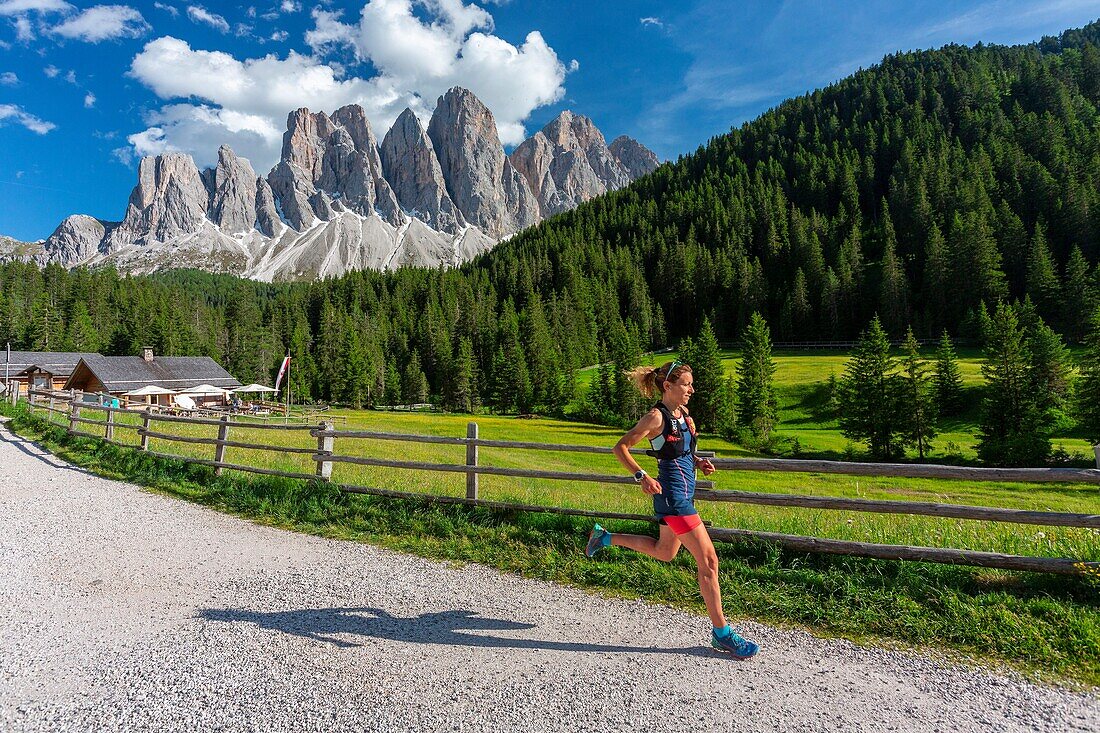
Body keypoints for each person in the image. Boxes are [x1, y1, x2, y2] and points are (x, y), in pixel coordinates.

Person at [585, 360, 759, 659]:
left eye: (691, 384)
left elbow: (683, 452)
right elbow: (621, 447)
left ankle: (604, 537)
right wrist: (642, 476)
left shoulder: (684, 416)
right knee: (709, 561)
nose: (692, 389)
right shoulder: (656, 417)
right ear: (668, 386)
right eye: (686, 384)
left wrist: (698, 462)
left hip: (683, 496)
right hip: (674, 499)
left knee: (665, 552)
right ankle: (722, 634)